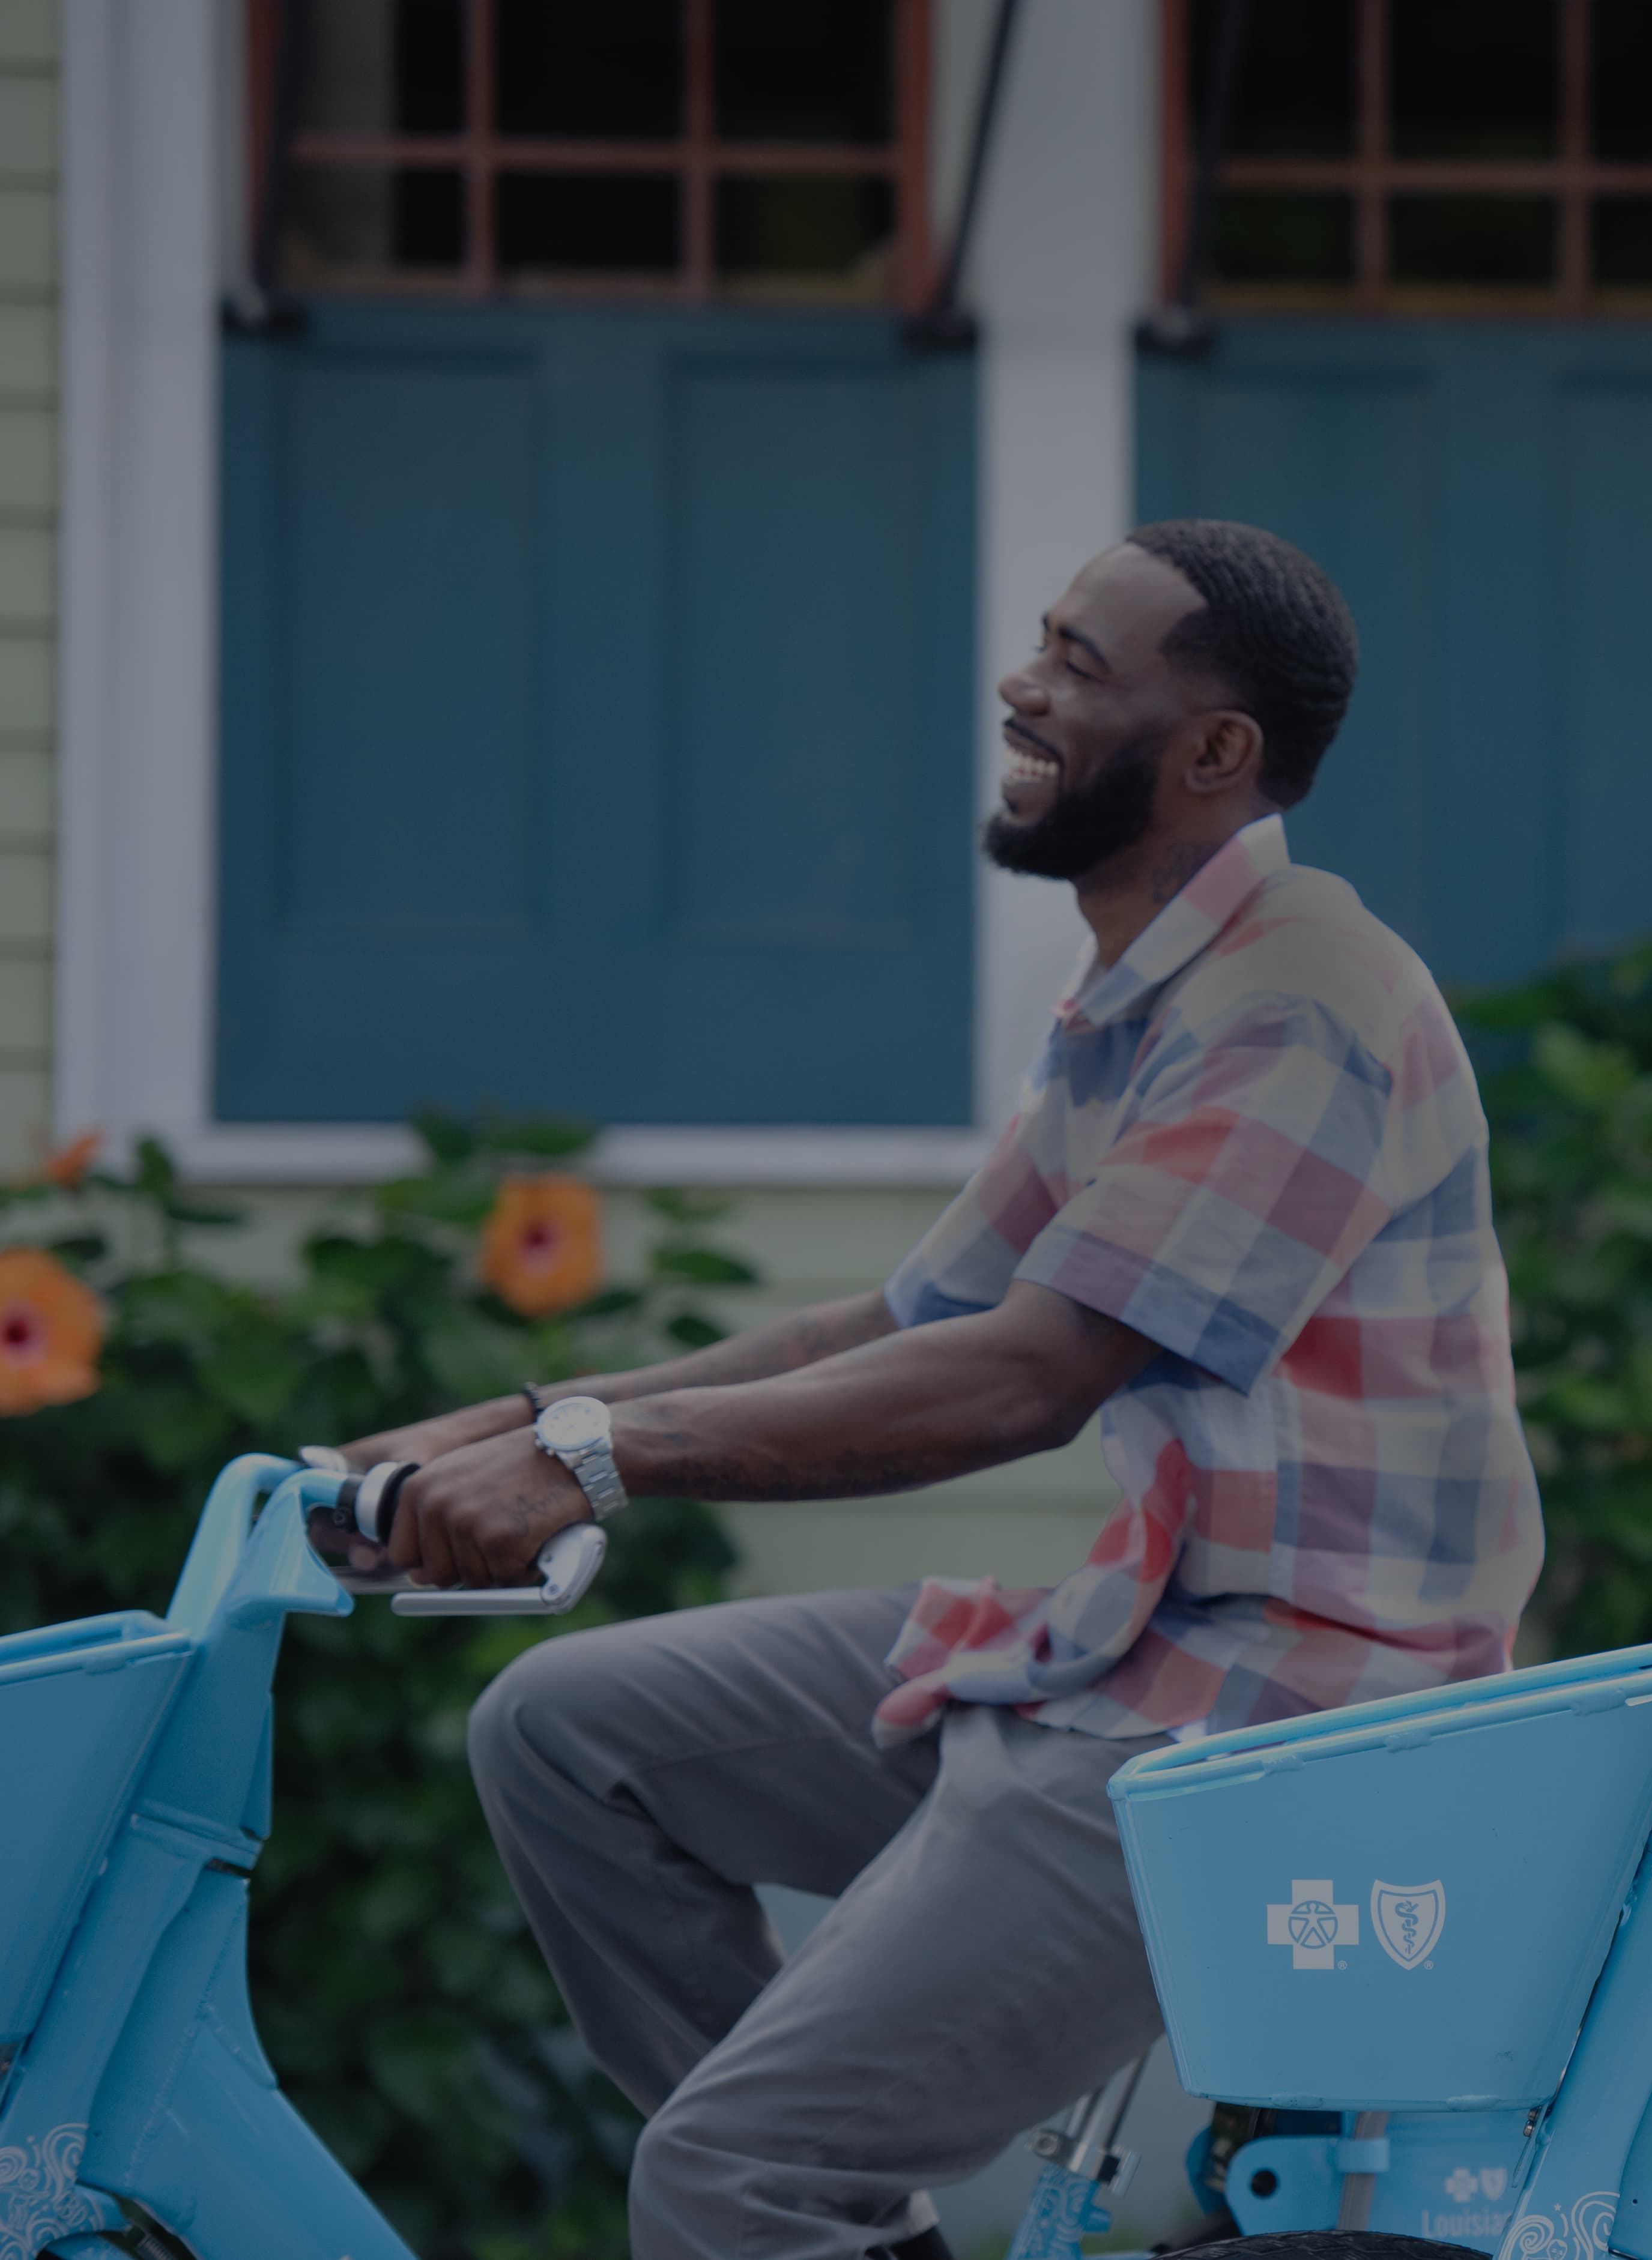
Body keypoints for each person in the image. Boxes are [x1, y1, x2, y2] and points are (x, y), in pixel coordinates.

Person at [342, 521, 1540, 2260]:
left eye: (1080, 663)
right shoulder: (1147, 1000)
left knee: (723, 2179)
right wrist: (518, 1422)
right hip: (1130, 1646)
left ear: (1217, 755)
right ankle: (848, 2219)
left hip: (1271, 1731)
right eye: (1041, 642)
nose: (1019, 684)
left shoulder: (1302, 1000)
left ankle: (781, 2195)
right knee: (566, 1737)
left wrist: (600, 1463)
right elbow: (906, 1316)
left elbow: (1023, 1377)